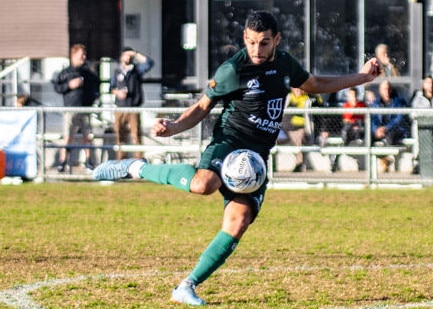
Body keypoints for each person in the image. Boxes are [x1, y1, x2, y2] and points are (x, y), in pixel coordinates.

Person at [92, 11, 381, 306]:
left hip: (256, 156)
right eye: (253, 42)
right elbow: (203, 106)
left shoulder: (285, 64)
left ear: (276, 40)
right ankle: (136, 167)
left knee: (238, 220)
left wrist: (362, 77)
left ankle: (186, 286)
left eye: (265, 43)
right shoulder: (232, 69)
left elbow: (315, 84)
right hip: (229, 142)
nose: (258, 50)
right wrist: (175, 126)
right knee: (203, 184)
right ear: (245, 38)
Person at [52, 44, 100, 173]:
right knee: (68, 137)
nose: (84, 57)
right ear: (73, 56)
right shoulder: (66, 72)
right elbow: (57, 87)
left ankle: (89, 162)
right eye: (81, 55)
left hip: (86, 110)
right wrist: (69, 85)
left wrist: (94, 98)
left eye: (85, 55)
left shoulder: (88, 73)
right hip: (70, 109)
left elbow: (97, 86)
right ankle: (62, 162)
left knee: (87, 137)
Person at [110, 47, 155, 160]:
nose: (128, 57)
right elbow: (111, 88)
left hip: (133, 108)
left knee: (136, 135)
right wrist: (118, 93)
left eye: (130, 56)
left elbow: (149, 63)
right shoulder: (117, 71)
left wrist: (135, 53)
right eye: (126, 55)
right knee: (120, 135)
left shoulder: (136, 71)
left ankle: (138, 160)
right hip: (120, 108)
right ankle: (121, 160)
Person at [370, 80, 410, 172]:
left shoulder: (398, 102)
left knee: (390, 137)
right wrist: (376, 129)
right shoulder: (376, 104)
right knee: (368, 137)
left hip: (395, 130)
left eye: (388, 88)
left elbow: (398, 119)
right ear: (380, 90)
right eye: (384, 89)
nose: (386, 91)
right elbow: (373, 118)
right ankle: (381, 161)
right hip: (380, 131)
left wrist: (386, 128)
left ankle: (386, 160)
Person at [283, 87, 322, 172]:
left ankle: (299, 163)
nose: (298, 90)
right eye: (295, 88)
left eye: (300, 88)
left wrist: (313, 94)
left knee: (301, 137)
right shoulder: (288, 97)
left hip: (300, 128)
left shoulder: (308, 98)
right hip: (285, 128)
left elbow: (319, 103)